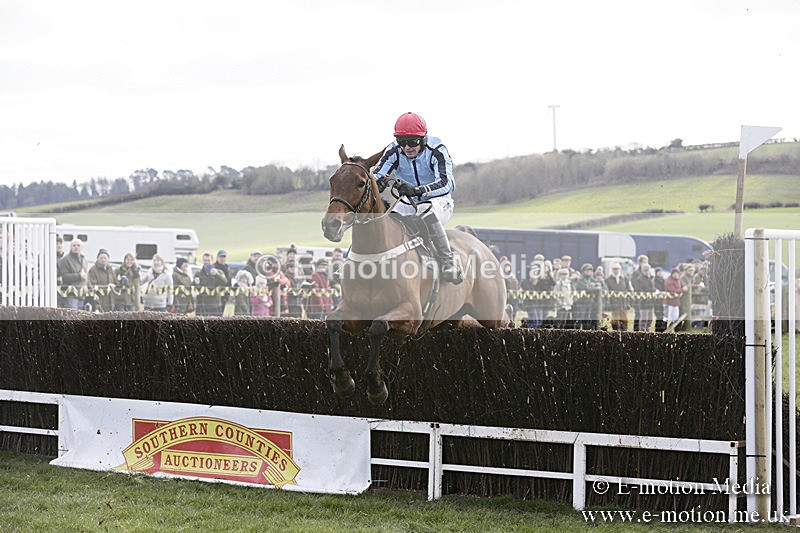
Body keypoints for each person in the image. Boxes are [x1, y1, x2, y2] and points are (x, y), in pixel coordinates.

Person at [373, 111, 462, 284]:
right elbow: (376, 174)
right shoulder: (393, 150)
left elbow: (447, 184)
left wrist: (419, 190)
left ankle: (447, 260)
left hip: (439, 201)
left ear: (423, 139)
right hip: (407, 200)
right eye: (402, 142)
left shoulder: (437, 150)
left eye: (412, 142)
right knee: (382, 217)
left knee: (425, 210)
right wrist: (377, 183)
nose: (407, 147)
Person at [57, 239, 88, 309]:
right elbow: (64, 276)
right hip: (70, 295)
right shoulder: (65, 260)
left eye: (78, 245)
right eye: (74, 245)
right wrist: (79, 276)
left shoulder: (84, 260)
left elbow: (86, 277)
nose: (76, 247)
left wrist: (91, 290)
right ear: (70, 247)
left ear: (82, 247)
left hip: (82, 294)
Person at [574, 263, 604, 330]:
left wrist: (593, 287)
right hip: (581, 303)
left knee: (587, 319)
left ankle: (585, 333)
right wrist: (593, 287)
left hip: (589, 302)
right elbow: (587, 289)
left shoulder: (591, 279)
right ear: (583, 271)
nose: (589, 272)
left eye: (590, 270)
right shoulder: (581, 280)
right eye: (587, 270)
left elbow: (599, 285)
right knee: (580, 319)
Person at [605, 262, 632, 331]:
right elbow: (606, 291)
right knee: (615, 321)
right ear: (612, 270)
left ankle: (624, 335)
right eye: (614, 269)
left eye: (617, 269)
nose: (616, 271)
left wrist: (628, 300)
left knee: (624, 321)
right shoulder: (608, 280)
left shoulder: (625, 279)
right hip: (614, 304)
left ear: (620, 269)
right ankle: (615, 334)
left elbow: (629, 289)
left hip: (623, 304)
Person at [631, 262, 656, 332]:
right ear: (642, 271)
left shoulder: (651, 279)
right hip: (643, 303)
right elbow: (639, 290)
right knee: (643, 319)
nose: (647, 272)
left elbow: (653, 288)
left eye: (648, 270)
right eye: (645, 270)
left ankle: (647, 330)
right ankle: (642, 332)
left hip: (651, 302)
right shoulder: (639, 279)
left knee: (650, 319)